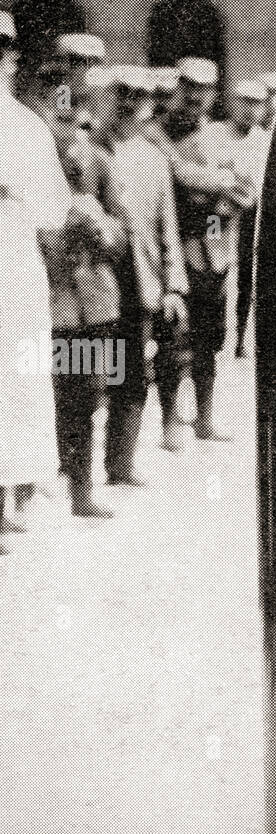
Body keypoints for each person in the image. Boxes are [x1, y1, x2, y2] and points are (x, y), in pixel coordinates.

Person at [147, 56, 255, 442]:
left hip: (215, 248)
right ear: (177, 90)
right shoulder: (156, 133)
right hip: (174, 248)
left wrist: (214, 190)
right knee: (175, 337)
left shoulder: (217, 137)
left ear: (213, 96)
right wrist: (219, 185)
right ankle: (171, 418)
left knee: (211, 337)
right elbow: (174, 174)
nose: (195, 99)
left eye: (204, 92)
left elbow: (246, 189)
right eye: (189, 90)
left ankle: (205, 417)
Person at [0, 11, 73, 550]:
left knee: (19, 377)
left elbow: (51, 210)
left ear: (11, 60)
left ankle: (16, 494)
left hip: (12, 263)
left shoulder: (25, 127)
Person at [41, 64, 128, 516]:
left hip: (94, 301)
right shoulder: (30, 163)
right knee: (47, 395)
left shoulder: (99, 163)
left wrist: (96, 223)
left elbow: (121, 235)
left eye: (74, 120)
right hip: (49, 299)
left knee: (87, 396)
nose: (68, 134)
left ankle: (81, 490)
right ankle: (36, 482)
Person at [94, 66, 190, 469]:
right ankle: (74, 466)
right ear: (112, 98)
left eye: (140, 97)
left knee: (135, 373)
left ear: (150, 103)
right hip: (100, 280)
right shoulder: (93, 149)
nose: (131, 105)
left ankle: (121, 462)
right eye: (124, 95)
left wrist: (173, 286)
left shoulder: (153, 158)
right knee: (94, 372)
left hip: (143, 279)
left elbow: (168, 224)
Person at [223, 79, 271, 359]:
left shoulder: (264, 142)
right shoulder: (216, 135)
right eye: (245, 102)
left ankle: (242, 337)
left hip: (252, 216)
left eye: (257, 104)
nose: (250, 110)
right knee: (222, 277)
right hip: (220, 219)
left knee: (248, 278)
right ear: (234, 103)